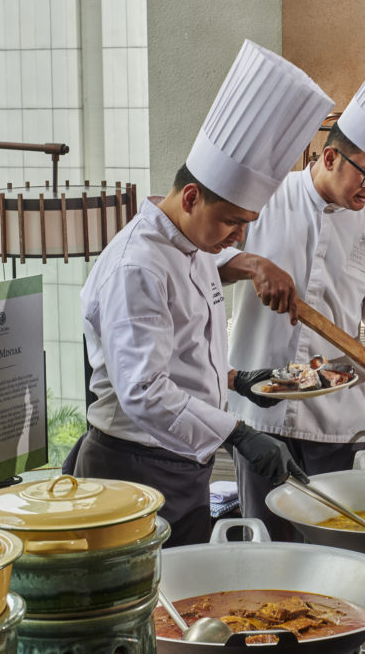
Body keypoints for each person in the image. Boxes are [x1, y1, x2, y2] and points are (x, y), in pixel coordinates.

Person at [74, 40, 334, 547]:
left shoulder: (192, 245)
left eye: (246, 225)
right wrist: (236, 433)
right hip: (134, 468)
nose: (238, 238)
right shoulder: (138, 266)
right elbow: (145, 391)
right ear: (190, 197)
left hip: (179, 462)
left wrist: (237, 380)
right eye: (232, 223)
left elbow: (181, 351)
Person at [216, 24, 365, 539]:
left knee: (336, 542)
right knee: (266, 543)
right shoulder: (265, 200)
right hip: (262, 410)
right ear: (328, 157)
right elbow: (203, 259)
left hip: (336, 420)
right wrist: (252, 265)